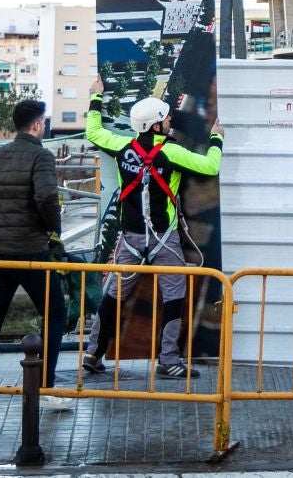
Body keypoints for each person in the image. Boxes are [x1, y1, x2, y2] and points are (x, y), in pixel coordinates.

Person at [84, 92, 224, 378]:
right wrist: (216, 139)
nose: (171, 120)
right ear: (156, 126)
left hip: (131, 239)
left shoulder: (123, 146)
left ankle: (93, 353)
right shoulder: (171, 152)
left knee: (113, 295)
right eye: (167, 118)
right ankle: (168, 359)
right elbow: (211, 166)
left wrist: (96, 97)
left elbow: (93, 132)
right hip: (164, 240)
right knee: (174, 296)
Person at [0, 98, 73, 414]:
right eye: (44, 121)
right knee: (55, 313)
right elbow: (47, 195)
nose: (45, 125)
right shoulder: (41, 156)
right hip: (31, 253)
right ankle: (46, 388)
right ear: (36, 125)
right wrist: (53, 229)